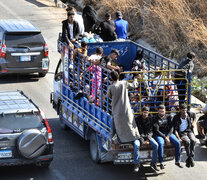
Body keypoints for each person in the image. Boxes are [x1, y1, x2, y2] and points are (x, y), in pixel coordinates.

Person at [107, 71, 141, 172]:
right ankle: (134, 138)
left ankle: (120, 139)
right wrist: (136, 79)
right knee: (130, 126)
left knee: (119, 127)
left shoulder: (111, 87)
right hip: (127, 110)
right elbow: (134, 85)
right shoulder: (124, 83)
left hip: (117, 111)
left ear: (111, 78)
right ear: (118, 76)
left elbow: (108, 96)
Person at [153, 104, 182, 169]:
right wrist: (165, 137)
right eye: (160, 111)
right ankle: (161, 162)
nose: (161, 113)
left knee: (177, 143)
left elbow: (172, 127)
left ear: (165, 111)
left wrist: (168, 136)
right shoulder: (155, 118)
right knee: (161, 144)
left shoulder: (168, 117)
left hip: (168, 133)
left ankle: (177, 160)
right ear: (158, 111)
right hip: (159, 134)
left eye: (163, 111)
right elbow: (156, 130)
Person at [135, 106, 159, 171]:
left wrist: (148, 139)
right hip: (139, 137)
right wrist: (142, 141)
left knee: (156, 145)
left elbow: (151, 131)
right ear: (142, 112)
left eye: (147, 113)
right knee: (136, 145)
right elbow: (136, 131)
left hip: (148, 137)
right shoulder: (137, 119)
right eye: (144, 112)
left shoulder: (150, 119)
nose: (145, 114)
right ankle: (137, 164)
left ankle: (153, 163)